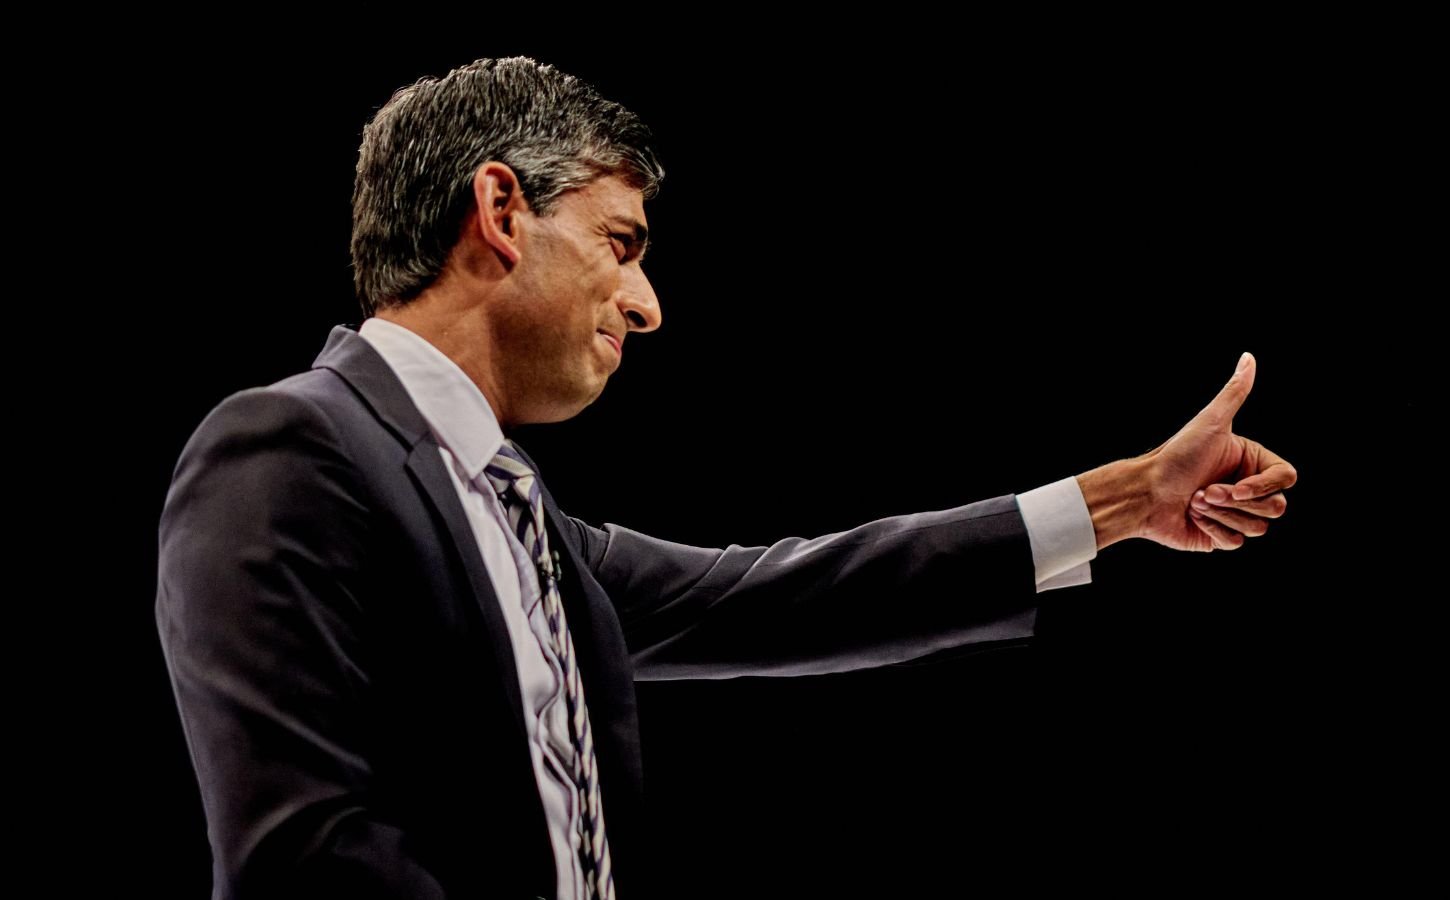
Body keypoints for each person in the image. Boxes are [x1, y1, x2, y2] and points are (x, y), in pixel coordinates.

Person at [154, 56, 1297, 900]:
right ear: (501, 213)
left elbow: (795, 592)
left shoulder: (522, 514)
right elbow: (298, 856)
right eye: (621, 242)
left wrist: (1123, 502)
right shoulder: (287, 449)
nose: (648, 305)